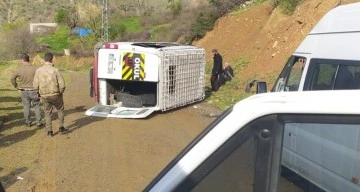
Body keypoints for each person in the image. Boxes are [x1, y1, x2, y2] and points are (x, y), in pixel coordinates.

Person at [33, 53, 68, 137]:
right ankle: (61, 127)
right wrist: (60, 92)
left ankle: (49, 131)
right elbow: (62, 84)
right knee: (60, 110)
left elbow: (35, 85)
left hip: (44, 96)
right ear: (51, 59)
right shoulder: (55, 70)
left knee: (47, 113)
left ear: (44, 59)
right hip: (56, 94)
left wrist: (38, 93)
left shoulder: (38, 71)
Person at [11, 54, 42, 127]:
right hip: (34, 90)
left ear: (22, 60)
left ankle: (28, 122)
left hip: (24, 91)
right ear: (29, 59)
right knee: (37, 106)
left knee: (26, 106)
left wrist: (16, 86)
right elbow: (40, 78)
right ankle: (38, 122)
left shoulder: (19, 69)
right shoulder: (35, 68)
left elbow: (12, 78)